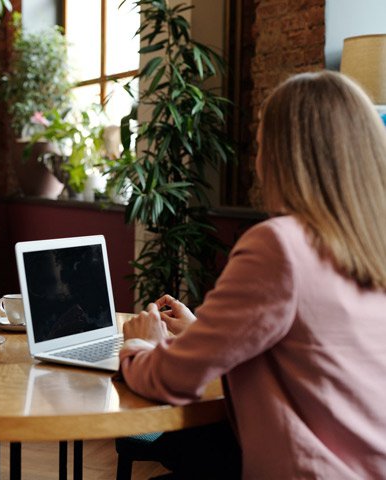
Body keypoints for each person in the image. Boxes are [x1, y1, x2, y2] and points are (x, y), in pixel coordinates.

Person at [120, 70, 386, 479]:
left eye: (261, 147)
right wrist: (202, 333)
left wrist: (140, 346)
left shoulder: (279, 245)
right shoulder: (370, 244)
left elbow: (171, 379)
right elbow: (311, 350)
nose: (258, 163)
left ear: (285, 158)